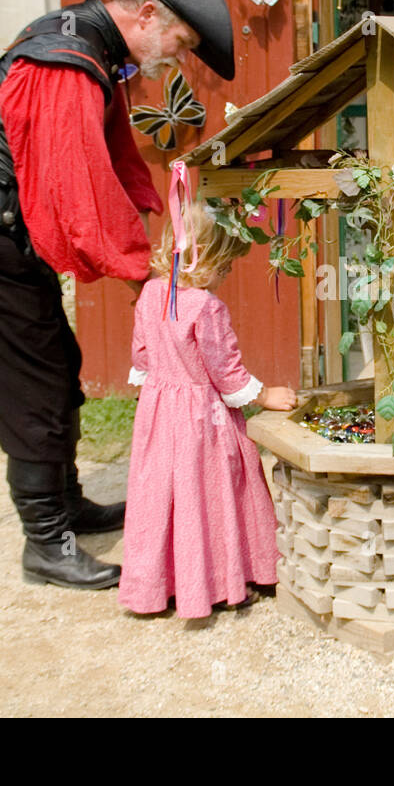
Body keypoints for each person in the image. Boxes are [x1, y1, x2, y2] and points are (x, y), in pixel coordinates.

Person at [0, 0, 235, 589]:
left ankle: (65, 505)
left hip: (3, 233)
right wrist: (148, 283)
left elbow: (113, 162)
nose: (173, 61)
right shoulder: (64, 60)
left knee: (55, 363)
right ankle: (45, 542)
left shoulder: (89, 46)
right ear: (149, 12)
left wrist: (154, 240)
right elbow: (78, 195)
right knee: (31, 385)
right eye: (180, 44)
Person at [120, 203, 296, 617]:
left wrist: (159, 382)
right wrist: (265, 395)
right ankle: (222, 579)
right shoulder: (205, 306)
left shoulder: (150, 292)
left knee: (164, 493)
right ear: (207, 258)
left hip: (160, 412)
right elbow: (225, 370)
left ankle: (160, 585)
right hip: (203, 416)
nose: (229, 274)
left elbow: (141, 354)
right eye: (227, 265)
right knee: (216, 487)